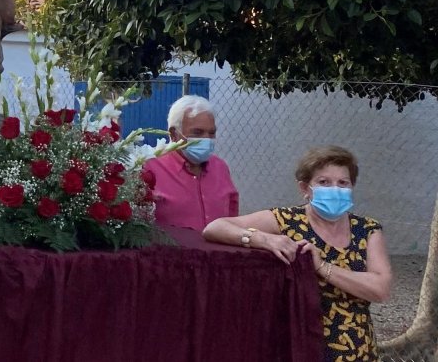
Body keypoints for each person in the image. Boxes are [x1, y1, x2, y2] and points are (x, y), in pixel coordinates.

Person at [203, 146, 391, 362]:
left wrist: (322, 267)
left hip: (357, 349)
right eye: (324, 182)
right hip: (300, 347)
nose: (335, 189)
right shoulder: (287, 220)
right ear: (305, 188)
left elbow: (381, 289)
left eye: (343, 183)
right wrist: (262, 238)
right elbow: (215, 227)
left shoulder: (366, 229)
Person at [141, 95, 238, 231]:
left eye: (211, 133)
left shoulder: (220, 168)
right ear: (174, 134)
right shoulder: (150, 169)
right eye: (197, 133)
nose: (207, 139)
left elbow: (233, 219)